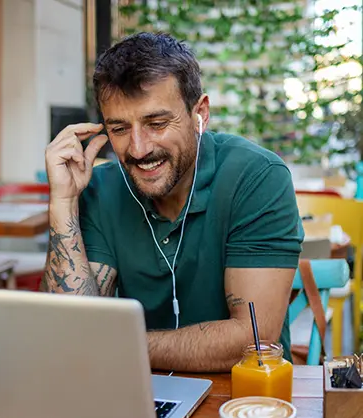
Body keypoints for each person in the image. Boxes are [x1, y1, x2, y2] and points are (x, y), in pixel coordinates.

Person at [39, 32, 304, 372]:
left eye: (157, 123)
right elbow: (70, 333)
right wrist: (63, 202)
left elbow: (253, 339)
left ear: (200, 115)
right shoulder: (100, 187)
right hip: (135, 394)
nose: (138, 149)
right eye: (119, 128)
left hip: (241, 399)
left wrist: (114, 345)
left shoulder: (256, 176)